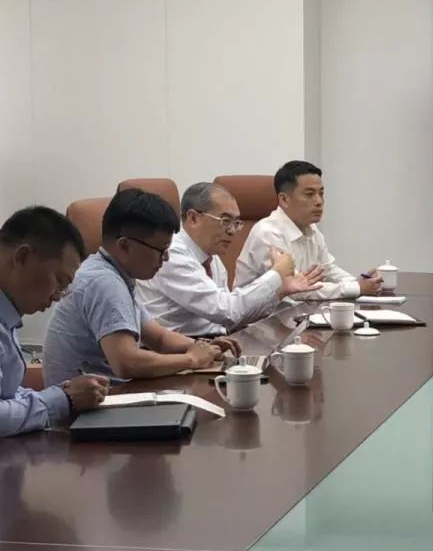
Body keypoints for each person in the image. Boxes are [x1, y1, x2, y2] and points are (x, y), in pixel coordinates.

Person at [43, 189, 241, 386]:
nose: (166, 258)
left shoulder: (115, 274)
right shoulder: (104, 282)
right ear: (124, 246)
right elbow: (127, 363)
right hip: (90, 402)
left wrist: (204, 347)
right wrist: (191, 359)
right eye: (161, 250)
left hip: (111, 393)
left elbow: (159, 338)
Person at [136, 183, 323, 337]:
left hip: (215, 342)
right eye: (225, 221)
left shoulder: (212, 258)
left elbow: (234, 317)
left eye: (236, 222)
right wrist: (276, 274)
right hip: (177, 354)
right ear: (193, 218)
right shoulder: (172, 255)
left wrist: (279, 292)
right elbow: (227, 311)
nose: (233, 230)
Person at [0, 207, 109, 436]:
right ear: (22, 257)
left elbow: (6, 394)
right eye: (59, 281)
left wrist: (62, 395)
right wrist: (63, 399)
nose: (58, 296)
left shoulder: (8, 315)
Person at [235, 160, 381, 299]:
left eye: (321, 193)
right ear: (284, 200)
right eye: (309, 194)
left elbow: (328, 269)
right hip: (263, 316)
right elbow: (296, 290)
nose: (319, 201)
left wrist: (358, 282)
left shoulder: (311, 229)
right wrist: (356, 288)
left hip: (298, 313)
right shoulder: (268, 233)